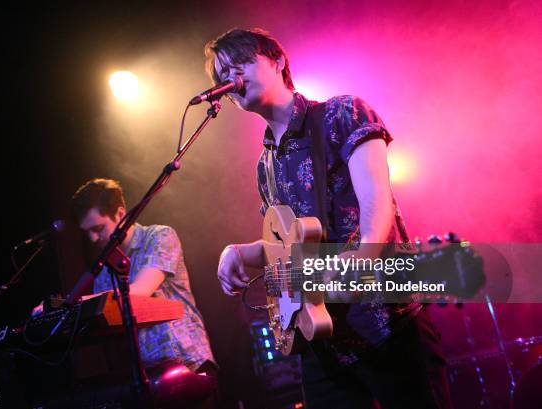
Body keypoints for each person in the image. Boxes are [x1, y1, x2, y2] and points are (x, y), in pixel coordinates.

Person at [207, 28, 453, 408]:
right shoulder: (265, 167)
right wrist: (239, 252)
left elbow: (377, 196)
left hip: (387, 324)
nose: (231, 79)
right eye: (222, 75)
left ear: (277, 60)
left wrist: (364, 254)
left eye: (240, 64)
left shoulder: (342, 113)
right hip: (324, 344)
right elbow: (287, 246)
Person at [69, 178, 217, 377]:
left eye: (98, 229)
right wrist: (60, 311)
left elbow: (139, 293)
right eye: (87, 233)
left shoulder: (159, 237)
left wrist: (71, 304)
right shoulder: (103, 271)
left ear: (121, 214)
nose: (93, 239)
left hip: (189, 365)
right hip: (147, 376)